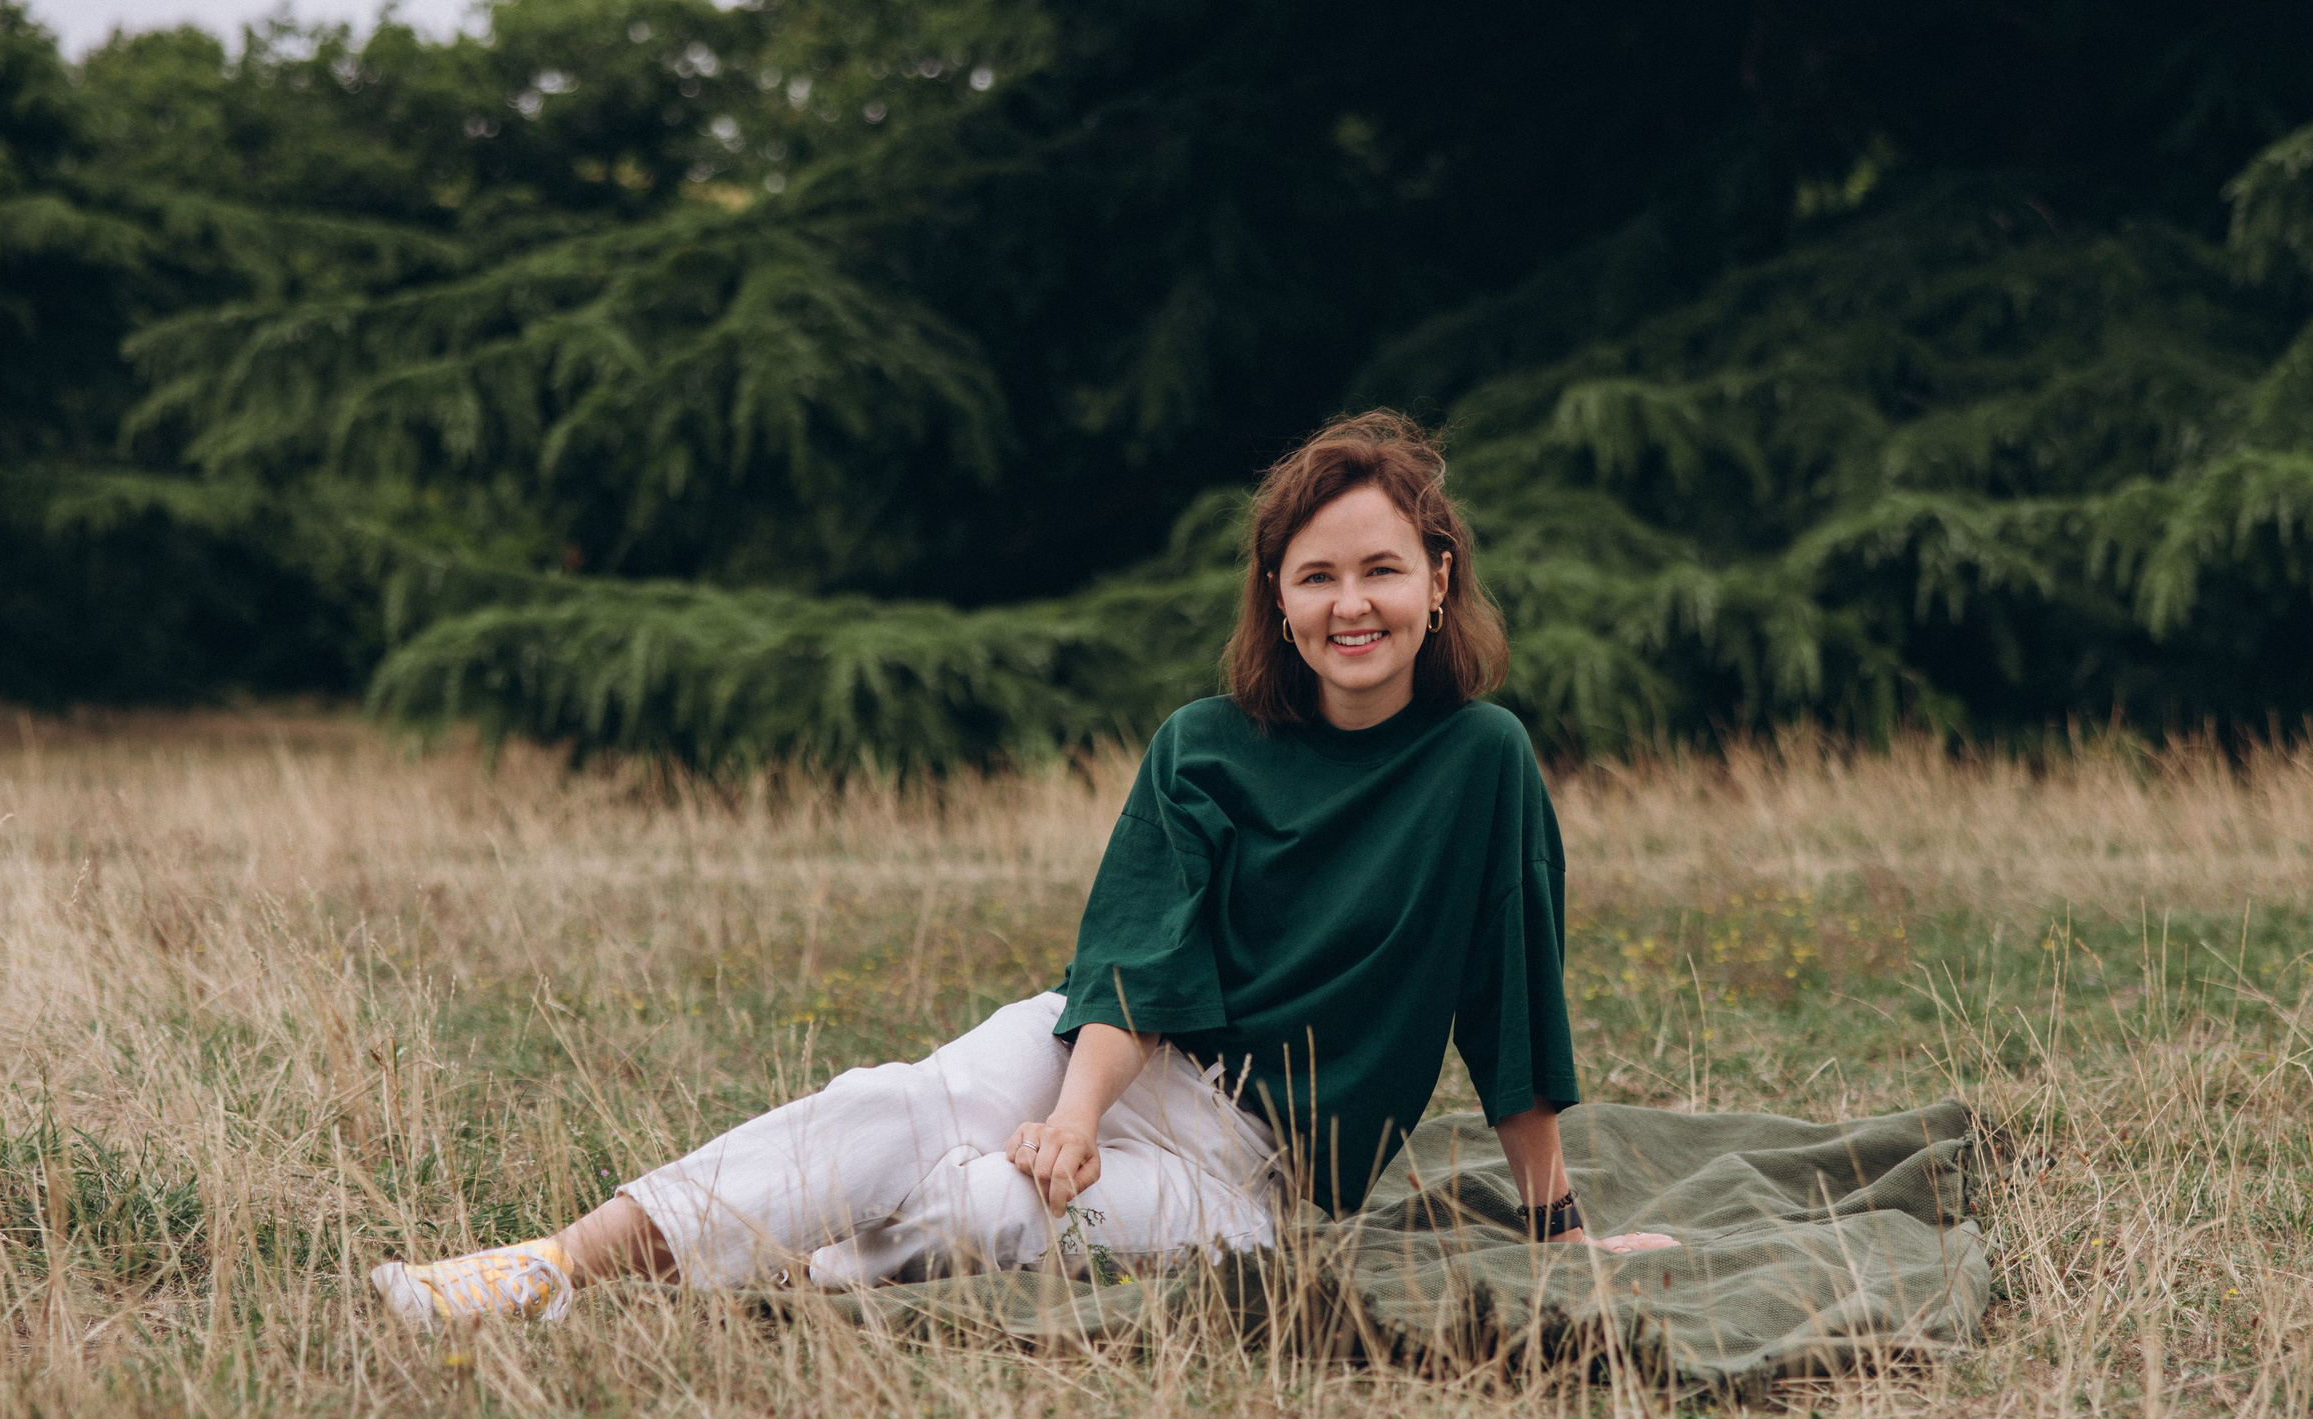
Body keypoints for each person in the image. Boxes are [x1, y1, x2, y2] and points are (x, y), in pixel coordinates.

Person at [372, 410, 1676, 1327]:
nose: (1352, 605)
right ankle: (544, 1270)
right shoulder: (1204, 747)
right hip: (1110, 1056)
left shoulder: (1480, 761)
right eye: (1315, 574)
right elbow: (1134, 952)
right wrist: (1077, 1111)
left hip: (1254, 1170)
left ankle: (809, 1264)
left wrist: (1557, 1226)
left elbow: (1509, 998)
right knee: (886, 1107)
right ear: (1276, 596)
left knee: (992, 1208)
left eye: (1382, 571)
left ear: (1438, 582)